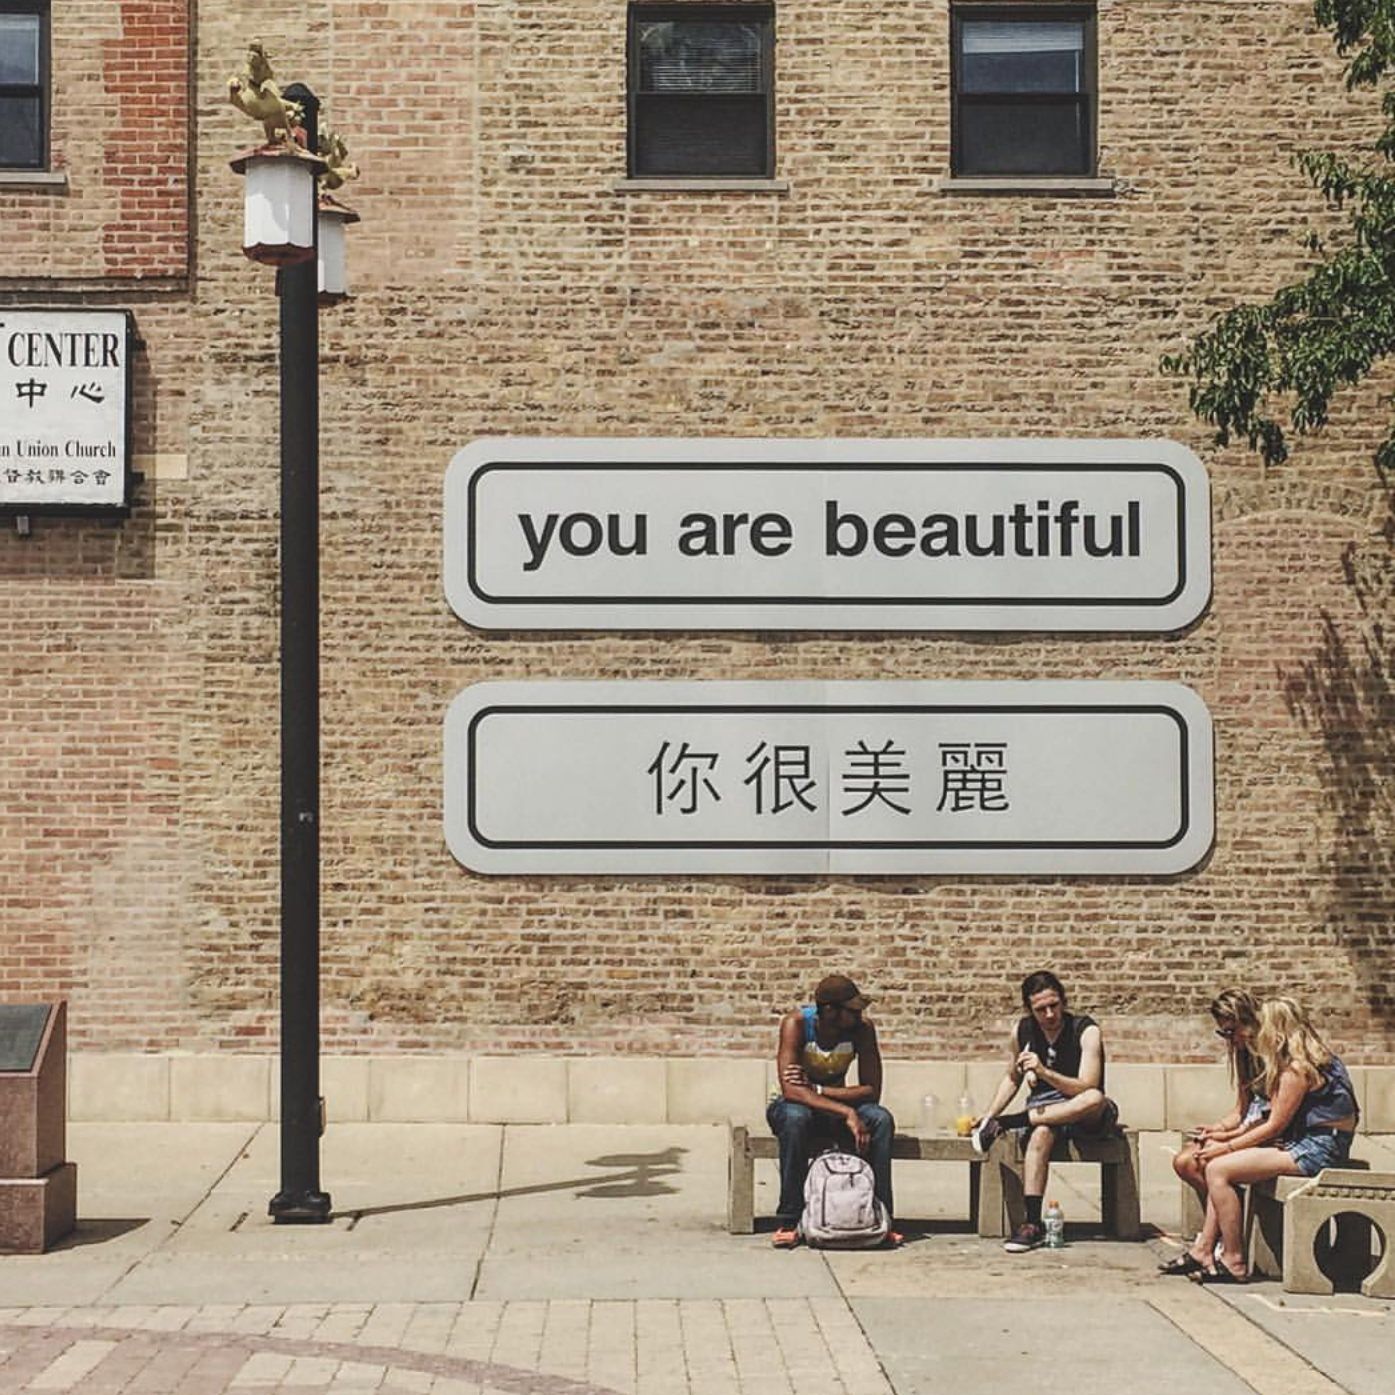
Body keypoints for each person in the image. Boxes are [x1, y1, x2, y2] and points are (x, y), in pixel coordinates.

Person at [1189, 995, 1359, 1283]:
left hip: (1318, 1148)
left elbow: (1273, 1126)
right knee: (1217, 1164)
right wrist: (1226, 1139)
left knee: (1218, 1169)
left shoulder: (1297, 1070)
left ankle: (1233, 1259)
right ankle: (1208, 1249)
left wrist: (1227, 1147)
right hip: (1310, 1141)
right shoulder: (1309, 1060)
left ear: (1278, 1030)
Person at [971, 970, 1121, 1253]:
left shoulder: (1086, 1030)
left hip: (1083, 1111)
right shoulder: (1023, 1031)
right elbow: (1012, 1078)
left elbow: (1087, 1085)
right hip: (1045, 1112)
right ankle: (1032, 1223)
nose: (1050, 1014)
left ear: (1063, 1001)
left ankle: (1011, 1121)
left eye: (1054, 1005)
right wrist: (989, 1114)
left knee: (1094, 1098)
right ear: (1030, 1009)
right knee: (1040, 1134)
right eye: (1041, 1009)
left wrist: (1042, 1072)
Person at [765, 974, 899, 1248]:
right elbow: (791, 1091)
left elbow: (871, 1090)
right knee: (795, 1118)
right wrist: (846, 1111)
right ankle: (789, 1218)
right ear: (830, 1011)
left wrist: (819, 1091)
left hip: (830, 1103)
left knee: (881, 1119)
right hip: (792, 1107)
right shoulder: (796, 1025)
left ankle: (882, 1216)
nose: (859, 1015)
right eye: (852, 1010)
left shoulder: (862, 1030)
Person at [1159, 988, 1266, 1277]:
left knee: (1211, 1164)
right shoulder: (1244, 1056)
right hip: (1251, 1128)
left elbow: (1272, 1121)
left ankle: (1207, 1246)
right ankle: (1219, 1225)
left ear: (1249, 1021)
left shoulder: (1273, 1056)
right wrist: (1217, 1129)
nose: (1229, 1040)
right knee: (1185, 1161)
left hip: (1265, 1134)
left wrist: (1227, 1142)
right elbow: (1241, 1111)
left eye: (1231, 1031)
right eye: (1223, 1034)